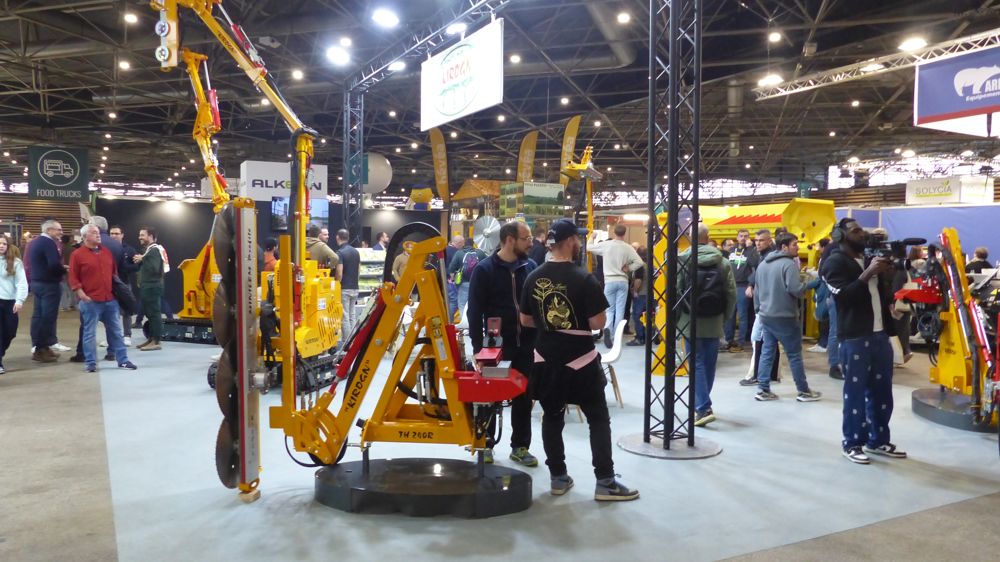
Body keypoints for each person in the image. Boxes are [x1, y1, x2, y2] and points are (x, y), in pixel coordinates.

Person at [519, 219, 639, 502]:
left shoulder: (533, 277)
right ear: (571, 241)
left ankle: (558, 478)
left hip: (546, 357)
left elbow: (525, 320)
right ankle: (605, 482)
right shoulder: (584, 278)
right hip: (580, 360)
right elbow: (598, 322)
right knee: (597, 418)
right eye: (577, 239)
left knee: (552, 417)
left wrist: (550, 324)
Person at [821, 218, 907, 464]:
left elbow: (881, 295)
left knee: (882, 393)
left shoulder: (869, 259)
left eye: (862, 230)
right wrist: (868, 274)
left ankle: (877, 440)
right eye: (855, 231)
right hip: (854, 337)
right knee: (855, 394)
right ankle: (852, 443)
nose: (862, 234)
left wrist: (887, 275)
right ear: (840, 236)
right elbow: (844, 297)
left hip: (879, 334)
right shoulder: (833, 263)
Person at [467, 221, 538, 466]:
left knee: (523, 396)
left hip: (526, 345)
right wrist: (478, 349)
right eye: (526, 238)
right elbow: (474, 312)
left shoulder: (530, 267)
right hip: (495, 347)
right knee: (490, 395)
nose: (531, 243)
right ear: (509, 240)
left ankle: (520, 446)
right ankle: (485, 444)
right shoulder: (484, 270)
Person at [677, 224, 736, 426]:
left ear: (690, 237)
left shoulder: (683, 260)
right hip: (714, 319)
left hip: (689, 320)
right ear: (708, 237)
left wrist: (676, 320)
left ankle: (703, 408)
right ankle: (702, 405)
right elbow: (731, 293)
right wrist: (725, 317)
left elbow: (676, 290)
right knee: (709, 364)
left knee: (696, 363)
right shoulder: (723, 262)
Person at [752, 232, 822, 402]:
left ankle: (763, 389)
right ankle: (803, 391)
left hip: (766, 315)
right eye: (794, 244)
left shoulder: (763, 264)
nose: (797, 247)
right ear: (784, 247)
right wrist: (813, 284)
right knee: (794, 354)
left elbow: (757, 291)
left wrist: (759, 310)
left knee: (767, 351)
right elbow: (795, 289)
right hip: (785, 316)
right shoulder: (788, 264)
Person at [69, 224, 137, 372]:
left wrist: (117, 293)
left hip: (110, 300)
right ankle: (91, 363)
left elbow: (114, 274)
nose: (98, 235)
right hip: (90, 301)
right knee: (89, 334)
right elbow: (73, 276)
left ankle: (123, 360)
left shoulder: (106, 252)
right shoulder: (77, 255)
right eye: (94, 233)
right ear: (85, 236)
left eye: (98, 232)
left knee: (116, 332)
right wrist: (81, 294)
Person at [587, 224, 643, 348]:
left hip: (609, 281)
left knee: (609, 309)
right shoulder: (628, 247)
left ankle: (608, 330)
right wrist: (629, 268)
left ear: (614, 232)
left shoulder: (607, 245)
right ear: (624, 233)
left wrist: (592, 237)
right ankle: (616, 337)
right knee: (620, 310)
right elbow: (639, 262)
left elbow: (589, 247)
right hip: (622, 281)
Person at [28, 219, 68, 362]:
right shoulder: (48, 243)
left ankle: (40, 347)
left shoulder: (35, 242)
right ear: (49, 230)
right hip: (49, 285)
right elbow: (53, 264)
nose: (61, 232)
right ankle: (41, 349)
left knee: (38, 316)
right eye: (59, 230)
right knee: (48, 317)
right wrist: (63, 270)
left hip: (37, 283)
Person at [724, 228, 759, 353]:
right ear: (737, 237)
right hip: (730, 286)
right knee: (729, 315)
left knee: (743, 315)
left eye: (746, 236)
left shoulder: (752, 251)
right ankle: (729, 340)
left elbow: (755, 264)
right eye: (741, 236)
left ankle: (740, 342)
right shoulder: (731, 250)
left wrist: (750, 248)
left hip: (743, 286)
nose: (743, 238)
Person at [133, 226, 166, 351]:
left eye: (142, 235)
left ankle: (156, 341)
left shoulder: (154, 251)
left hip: (152, 287)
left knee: (154, 314)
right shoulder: (148, 251)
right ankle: (151, 339)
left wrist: (143, 258)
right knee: (149, 314)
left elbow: (155, 269)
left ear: (150, 236)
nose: (139, 237)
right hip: (148, 287)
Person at [0, 237, 28, 374]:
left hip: (10, 302)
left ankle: (1, 352)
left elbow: (21, 283)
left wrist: (19, 300)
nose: (1, 246)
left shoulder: (16, 262)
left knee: (10, 332)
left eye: (4, 244)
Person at [109, 225, 139, 347]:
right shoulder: (105, 248)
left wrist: (124, 267)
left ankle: (127, 336)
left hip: (124, 283)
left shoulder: (130, 250)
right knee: (111, 312)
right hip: (109, 285)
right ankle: (112, 337)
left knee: (126, 311)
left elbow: (137, 266)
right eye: (112, 233)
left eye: (116, 233)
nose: (114, 236)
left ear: (122, 235)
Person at [449, 240, 486, 322]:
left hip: (464, 283)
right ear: (473, 244)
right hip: (478, 283)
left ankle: (465, 323)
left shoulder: (459, 253)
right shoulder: (480, 253)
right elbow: (488, 264)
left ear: (464, 244)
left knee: (462, 304)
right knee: (478, 303)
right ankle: (479, 322)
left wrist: (453, 279)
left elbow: (452, 268)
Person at [335, 230, 361, 338]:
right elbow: (359, 270)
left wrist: (337, 284)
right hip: (355, 287)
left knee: (344, 316)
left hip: (344, 288)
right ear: (348, 237)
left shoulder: (340, 253)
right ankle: (353, 339)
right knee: (352, 315)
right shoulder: (356, 252)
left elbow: (339, 273)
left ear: (337, 237)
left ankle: (347, 342)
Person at [627, 246, 649, 347]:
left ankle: (639, 338)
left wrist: (635, 291)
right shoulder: (650, 264)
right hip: (649, 294)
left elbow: (638, 280)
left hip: (641, 294)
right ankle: (646, 336)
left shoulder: (640, 265)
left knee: (637, 316)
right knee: (646, 316)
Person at [445, 235, 464, 318]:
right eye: (462, 244)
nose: (463, 245)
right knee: (454, 301)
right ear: (458, 243)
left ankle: (447, 319)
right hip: (451, 281)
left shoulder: (445, 249)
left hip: (445, 280)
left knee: (449, 301)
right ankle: (448, 319)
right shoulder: (455, 252)